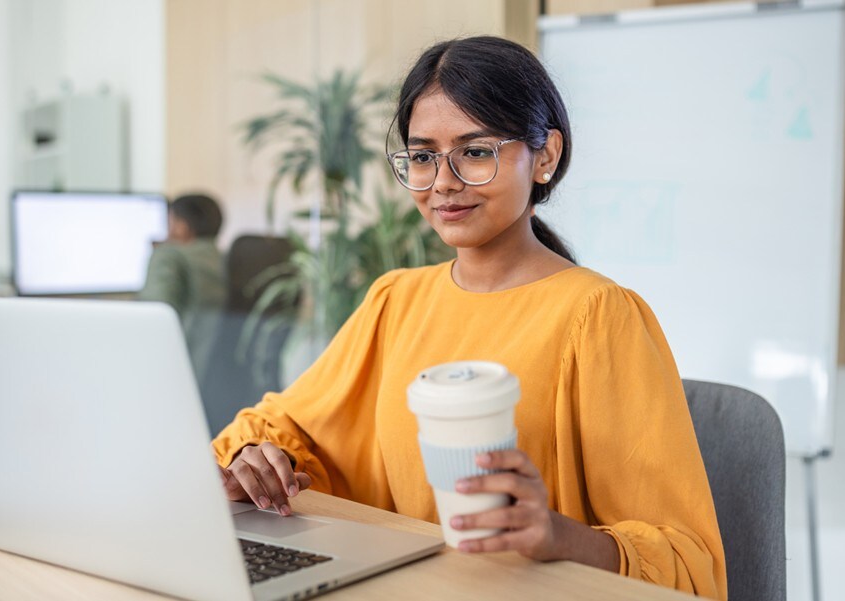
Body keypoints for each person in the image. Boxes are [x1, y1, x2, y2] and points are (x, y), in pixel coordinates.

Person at [212, 37, 726, 598]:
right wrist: (261, 462)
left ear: (545, 157)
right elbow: (294, 432)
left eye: (475, 152)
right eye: (423, 155)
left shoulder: (599, 316)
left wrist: (558, 535)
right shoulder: (395, 300)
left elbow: (687, 560)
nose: (443, 182)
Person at [139, 193, 226, 394]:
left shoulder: (169, 257)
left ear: (182, 226)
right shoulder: (230, 259)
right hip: (218, 384)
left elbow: (151, 322)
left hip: (179, 378)